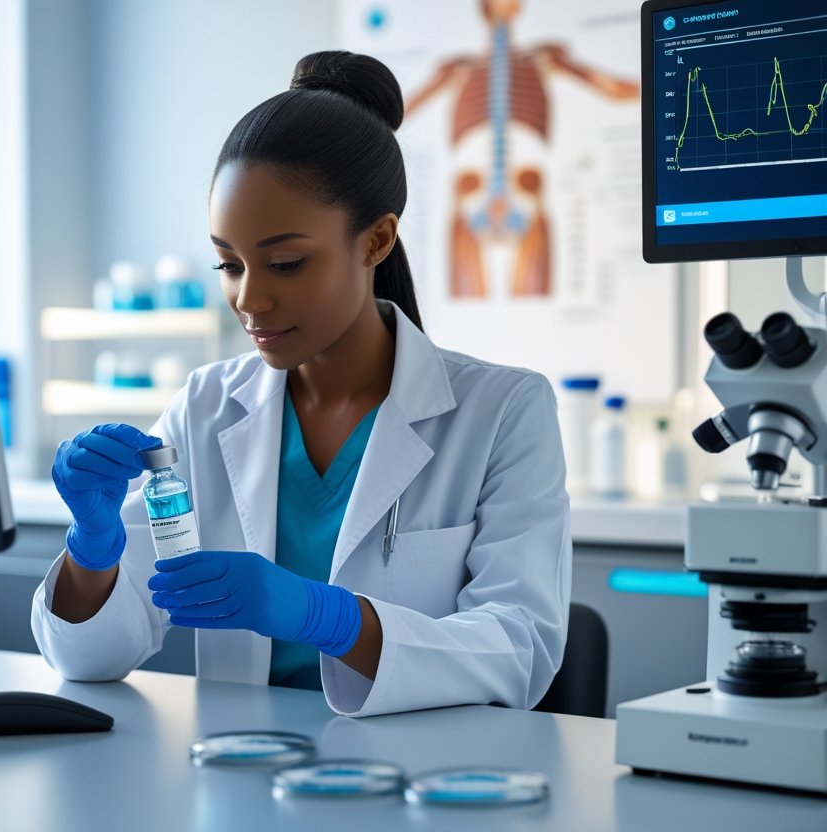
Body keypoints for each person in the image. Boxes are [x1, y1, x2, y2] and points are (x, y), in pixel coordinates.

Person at [32, 50, 570, 717]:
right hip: (243, 780)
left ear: (376, 241)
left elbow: (519, 651)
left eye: (285, 263)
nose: (249, 301)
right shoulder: (205, 407)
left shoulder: (502, 412)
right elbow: (88, 659)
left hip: (420, 789)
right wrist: (93, 546)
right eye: (229, 264)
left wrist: (331, 618)